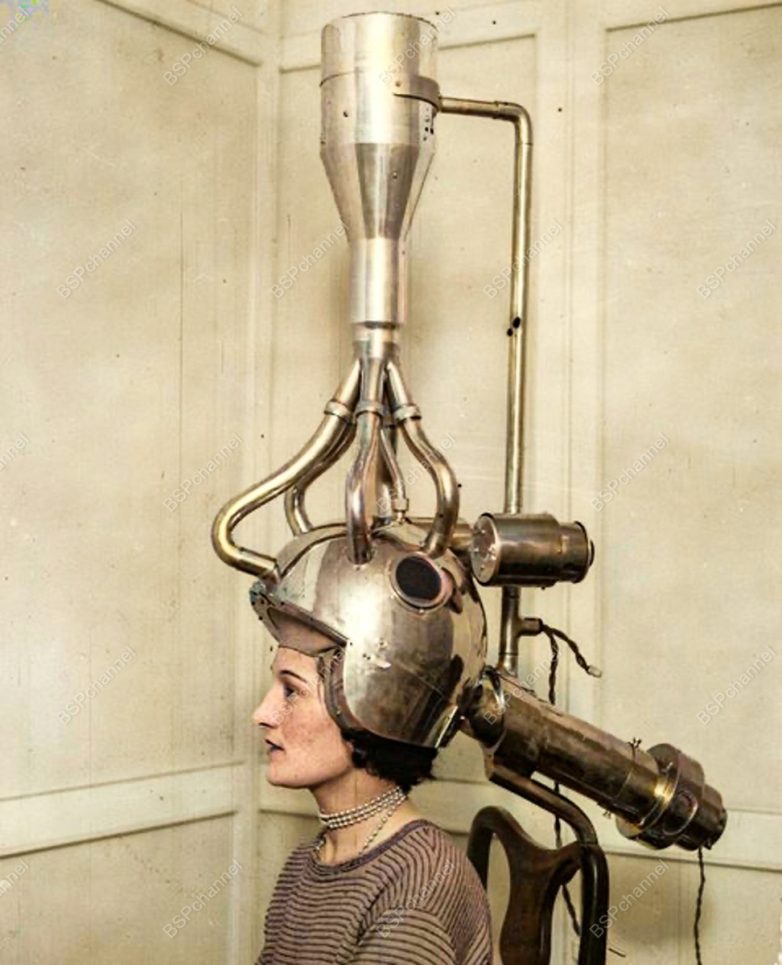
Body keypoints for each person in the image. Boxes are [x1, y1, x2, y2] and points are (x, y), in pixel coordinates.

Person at [253, 614, 494, 965]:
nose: (262, 713)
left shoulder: (419, 886)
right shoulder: (306, 862)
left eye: (291, 691)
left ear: (368, 714)